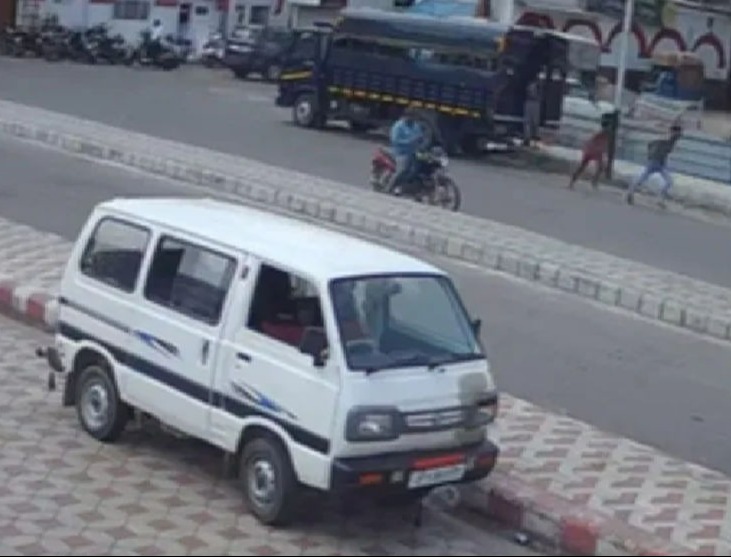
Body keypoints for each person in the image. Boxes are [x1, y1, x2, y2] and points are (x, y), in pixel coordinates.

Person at [626, 123, 682, 207]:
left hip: (661, 163)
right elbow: (651, 144)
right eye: (677, 133)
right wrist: (651, 155)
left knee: (669, 182)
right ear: (673, 132)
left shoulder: (671, 141)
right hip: (654, 162)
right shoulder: (665, 138)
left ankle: (660, 199)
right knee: (642, 179)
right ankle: (630, 193)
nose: (678, 135)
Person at [388, 107, 426, 194]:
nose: (413, 119)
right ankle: (390, 188)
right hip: (400, 153)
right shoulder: (398, 126)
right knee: (403, 169)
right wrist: (409, 142)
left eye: (414, 117)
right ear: (406, 116)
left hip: (413, 152)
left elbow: (420, 137)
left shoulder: (415, 126)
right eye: (411, 117)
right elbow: (395, 140)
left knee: (421, 166)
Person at [568, 119, 610, 190]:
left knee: (599, 167)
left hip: (594, 152)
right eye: (609, 126)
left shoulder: (604, 133)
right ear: (606, 126)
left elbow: (599, 143)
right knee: (584, 167)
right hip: (593, 151)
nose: (609, 128)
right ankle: (592, 181)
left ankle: (593, 181)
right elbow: (593, 141)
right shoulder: (601, 133)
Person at [523, 79, 541, 147]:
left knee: (530, 121)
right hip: (534, 102)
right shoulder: (537, 85)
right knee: (533, 121)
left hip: (531, 102)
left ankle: (529, 137)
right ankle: (531, 137)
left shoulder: (530, 85)